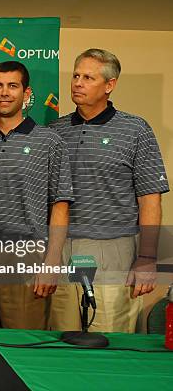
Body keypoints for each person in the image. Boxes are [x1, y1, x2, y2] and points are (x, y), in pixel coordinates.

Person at [48, 48, 169, 333]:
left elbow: (150, 198)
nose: (77, 82)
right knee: (62, 339)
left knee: (109, 340)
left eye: (88, 77)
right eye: (76, 75)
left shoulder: (136, 130)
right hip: (62, 248)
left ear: (109, 85)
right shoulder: (55, 130)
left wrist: (147, 258)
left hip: (113, 250)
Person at [0, 61, 73, 330]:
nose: (5, 92)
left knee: (23, 345)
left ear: (26, 93)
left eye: (12, 86)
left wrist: (51, 263)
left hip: (27, 256)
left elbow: (61, 205)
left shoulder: (49, 141)